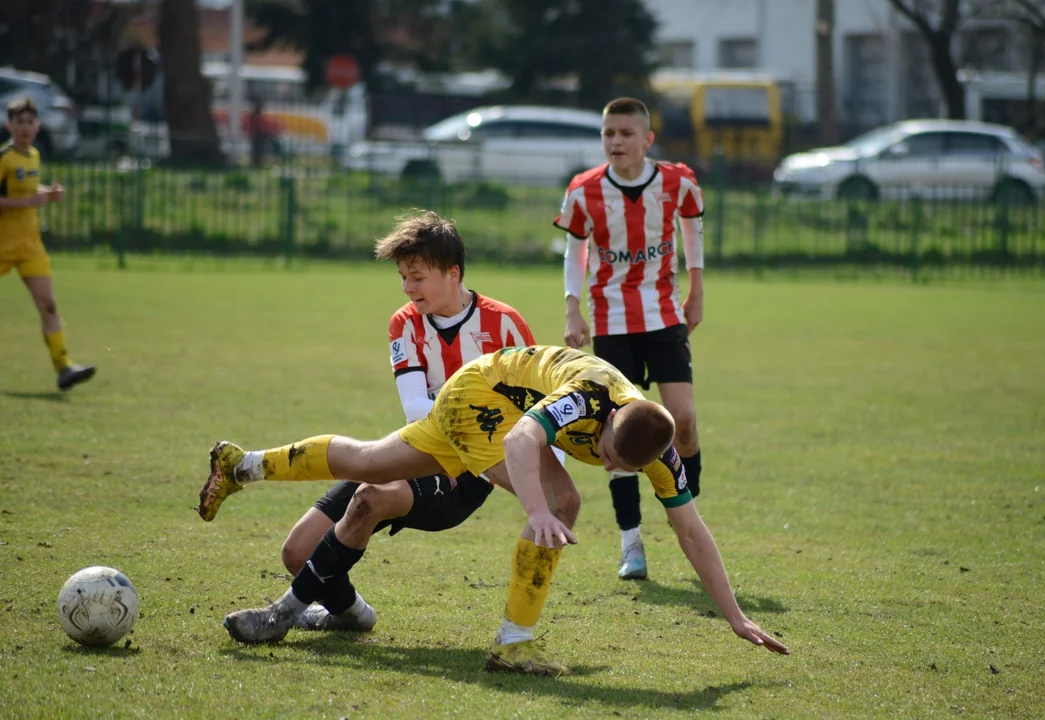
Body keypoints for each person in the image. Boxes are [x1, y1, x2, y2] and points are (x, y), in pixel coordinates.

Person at [198, 345, 789, 675]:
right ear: (606, 423)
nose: (610, 465)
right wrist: (537, 509)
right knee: (563, 501)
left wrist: (734, 615)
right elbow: (518, 442)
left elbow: (690, 531)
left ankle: (242, 464)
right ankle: (513, 644)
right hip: (481, 397)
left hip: (481, 393)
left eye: (621, 468)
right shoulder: (586, 396)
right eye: (607, 453)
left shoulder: (656, 449)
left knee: (372, 463)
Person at [211, 211, 538, 633]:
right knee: (297, 551)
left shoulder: (505, 323)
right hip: (414, 450)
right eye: (403, 277)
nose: (407, 288)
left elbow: (535, 406)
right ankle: (354, 616)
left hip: (468, 475)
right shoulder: (404, 323)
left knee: (370, 497)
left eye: (417, 276)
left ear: (452, 272)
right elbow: (414, 406)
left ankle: (281, 615)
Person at [559, 97, 704, 581]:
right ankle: (631, 543)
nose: (616, 142)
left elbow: (692, 227)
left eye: (625, 133)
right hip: (611, 320)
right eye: (608, 134)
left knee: (682, 419)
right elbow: (575, 251)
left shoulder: (677, 181)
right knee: (616, 433)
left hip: (663, 314)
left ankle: (689, 518)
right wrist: (573, 308)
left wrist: (697, 289)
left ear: (647, 139)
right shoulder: (583, 191)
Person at [1, 97, 95, 391]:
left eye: (30, 122)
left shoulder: (34, 156)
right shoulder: (5, 158)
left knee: (49, 306)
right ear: (9, 126)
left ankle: (63, 368)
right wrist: (26, 201)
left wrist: (47, 193)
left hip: (29, 245)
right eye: (20, 122)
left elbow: (27, 190)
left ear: (38, 126)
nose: (26, 128)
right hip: (2, 243)